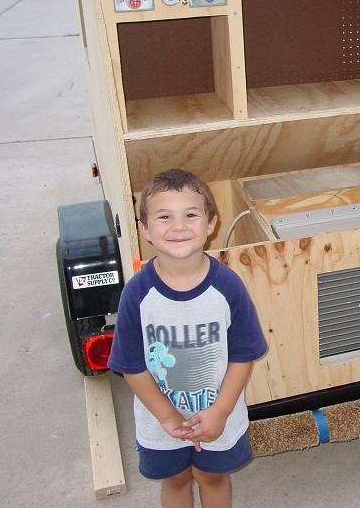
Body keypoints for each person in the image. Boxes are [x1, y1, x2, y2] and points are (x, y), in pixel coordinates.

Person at [108, 169, 268, 508]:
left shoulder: (228, 287)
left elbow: (243, 354)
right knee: (176, 480)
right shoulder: (137, 294)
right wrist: (166, 415)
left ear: (211, 224)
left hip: (219, 415)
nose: (178, 226)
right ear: (145, 229)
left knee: (213, 477)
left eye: (190, 215)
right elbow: (132, 366)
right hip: (160, 419)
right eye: (164, 216)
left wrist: (221, 410)